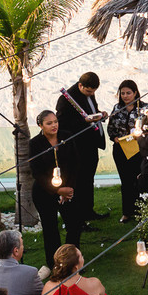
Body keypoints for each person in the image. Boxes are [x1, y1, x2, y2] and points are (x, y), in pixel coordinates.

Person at [29, 109, 84, 267]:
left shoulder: (67, 136)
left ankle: (72, 261)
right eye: (49, 123)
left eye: (55, 122)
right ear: (41, 125)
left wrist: (69, 188)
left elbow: (76, 163)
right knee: (50, 228)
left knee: (74, 223)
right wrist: (57, 190)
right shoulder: (35, 144)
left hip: (68, 188)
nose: (54, 125)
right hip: (44, 192)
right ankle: (55, 264)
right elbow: (37, 173)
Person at [56, 72, 108, 222]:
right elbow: (62, 124)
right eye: (88, 91)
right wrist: (84, 121)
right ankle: (79, 216)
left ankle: (88, 211)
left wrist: (100, 115)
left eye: (93, 92)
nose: (91, 94)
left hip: (91, 145)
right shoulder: (66, 99)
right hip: (77, 148)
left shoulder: (89, 93)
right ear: (80, 85)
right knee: (78, 181)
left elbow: (92, 111)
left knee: (88, 180)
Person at [106, 79, 148, 223]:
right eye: (122, 93)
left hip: (139, 149)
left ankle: (141, 210)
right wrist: (115, 138)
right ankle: (127, 212)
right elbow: (110, 128)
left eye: (128, 93)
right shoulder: (117, 108)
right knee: (126, 181)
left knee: (139, 180)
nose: (125, 96)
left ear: (135, 93)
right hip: (121, 149)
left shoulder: (144, 109)